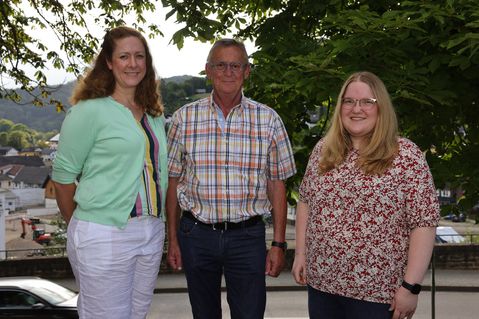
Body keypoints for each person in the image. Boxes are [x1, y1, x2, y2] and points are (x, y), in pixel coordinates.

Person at [292, 71, 440, 319]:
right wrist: (300, 254)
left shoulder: (405, 156)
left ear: (381, 107)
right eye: (348, 101)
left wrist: (411, 286)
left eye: (366, 102)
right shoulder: (323, 150)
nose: (356, 109)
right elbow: (306, 202)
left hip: (377, 295)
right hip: (322, 287)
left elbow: (423, 223)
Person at [166, 38, 296, 319]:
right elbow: (173, 182)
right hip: (196, 235)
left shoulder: (268, 120)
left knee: (249, 315)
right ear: (208, 70)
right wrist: (173, 240)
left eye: (235, 65)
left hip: (247, 238)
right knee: (204, 314)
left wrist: (278, 244)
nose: (228, 72)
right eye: (220, 65)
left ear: (247, 71)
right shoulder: (183, 119)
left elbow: (277, 185)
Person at [52, 26, 168, 319]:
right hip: (104, 233)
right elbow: (63, 178)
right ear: (108, 61)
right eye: (124, 56)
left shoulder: (153, 113)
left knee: (137, 315)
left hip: (151, 231)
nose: (133, 64)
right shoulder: (89, 111)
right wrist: (84, 225)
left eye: (139, 56)